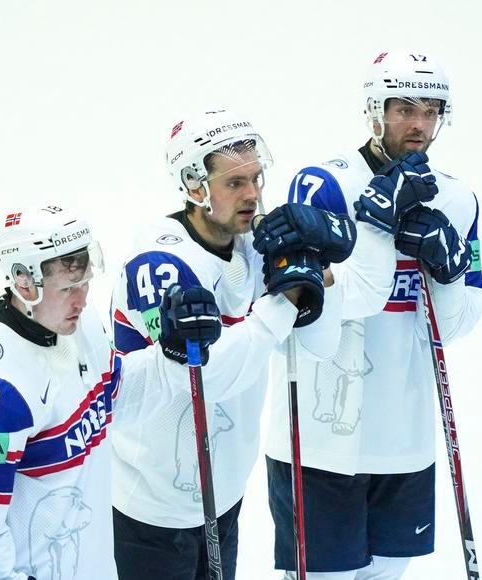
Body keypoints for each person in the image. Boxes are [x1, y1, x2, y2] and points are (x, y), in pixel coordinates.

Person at [108, 109, 369, 580]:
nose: (253, 194)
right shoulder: (161, 260)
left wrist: (320, 271)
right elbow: (203, 379)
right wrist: (287, 299)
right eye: (234, 183)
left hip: (223, 493)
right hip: (153, 509)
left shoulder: (252, 242)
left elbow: (319, 345)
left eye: (256, 178)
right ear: (194, 187)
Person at [260, 50, 482, 579]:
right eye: (404, 107)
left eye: (431, 109)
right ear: (373, 109)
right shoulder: (324, 183)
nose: (418, 123)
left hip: (404, 439)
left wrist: (449, 272)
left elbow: (454, 325)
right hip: (320, 443)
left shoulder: (456, 198)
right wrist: (378, 224)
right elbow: (332, 307)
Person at [0, 204, 248, 579]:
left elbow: (115, 396)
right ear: (23, 282)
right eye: (67, 288)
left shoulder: (79, 327)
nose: (81, 299)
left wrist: (171, 355)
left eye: (84, 283)